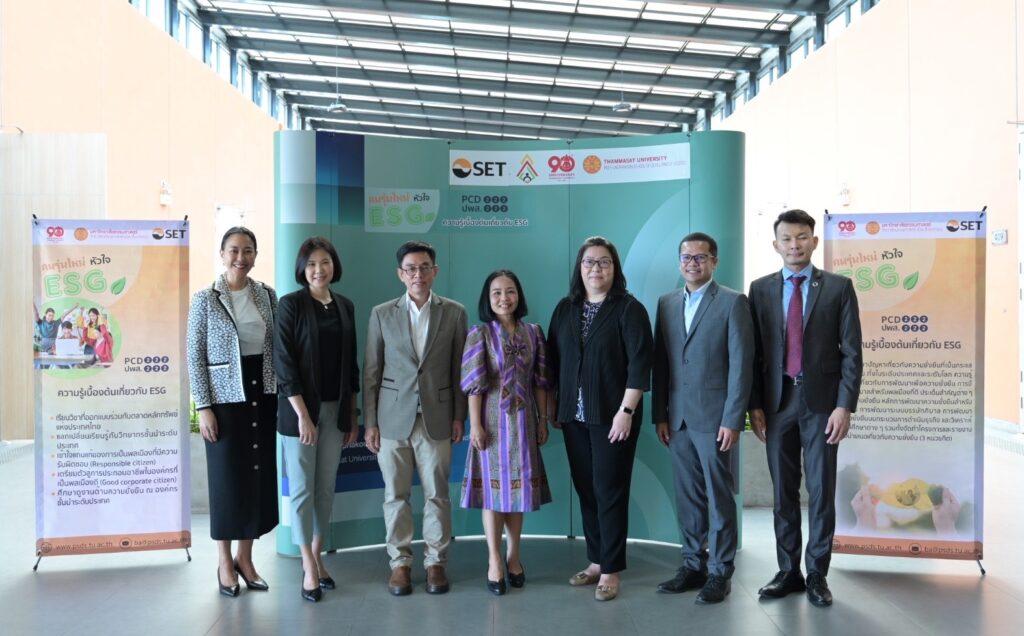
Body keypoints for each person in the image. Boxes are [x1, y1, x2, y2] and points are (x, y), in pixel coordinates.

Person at [747, 209, 863, 607]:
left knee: (821, 490)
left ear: (814, 241)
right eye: (786, 238)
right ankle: (788, 571)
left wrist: (844, 406)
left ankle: (816, 574)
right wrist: (754, 405)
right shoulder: (760, 289)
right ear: (775, 244)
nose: (794, 245)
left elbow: (852, 353)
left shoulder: (838, 287)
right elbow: (753, 353)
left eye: (801, 237)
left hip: (822, 406)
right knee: (782, 492)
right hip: (776, 403)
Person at [546, 236, 653, 602]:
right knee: (587, 489)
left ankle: (611, 569)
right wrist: (555, 405)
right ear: (580, 268)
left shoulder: (628, 308)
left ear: (614, 268)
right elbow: (553, 360)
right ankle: (595, 560)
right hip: (573, 417)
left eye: (604, 262)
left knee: (609, 491)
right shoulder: (566, 308)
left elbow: (640, 365)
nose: (596, 268)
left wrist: (626, 412)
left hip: (613, 417)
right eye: (589, 262)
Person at [652, 232, 754, 604]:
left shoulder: (732, 302)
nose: (692, 263)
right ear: (679, 261)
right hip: (677, 418)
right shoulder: (666, 303)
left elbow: (741, 366)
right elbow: (661, 362)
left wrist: (733, 419)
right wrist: (660, 414)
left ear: (714, 261)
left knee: (719, 496)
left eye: (700, 257)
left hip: (715, 419)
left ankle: (720, 571)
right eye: (686, 257)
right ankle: (693, 564)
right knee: (688, 496)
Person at [363, 241, 468, 597]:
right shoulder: (382, 313)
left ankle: (436, 562)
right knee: (395, 494)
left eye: (424, 267)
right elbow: (372, 371)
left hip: (437, 418)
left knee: (438, 494)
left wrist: (459, 416)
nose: (418, 274)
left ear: (434, 271)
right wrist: (370, 422)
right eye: (410, 268)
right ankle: (400, 564)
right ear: (400, 274)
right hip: (391, 420)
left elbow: (459, 370)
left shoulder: (454, 313)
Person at [186, 227, 278, 598]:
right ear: (223, 254)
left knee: (255, 477)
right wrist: (204, 407)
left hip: (262, 393)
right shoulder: (205, 299)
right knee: (227, 479)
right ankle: (224, 561)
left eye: (248, 250)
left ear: (255, 255)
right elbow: (195, 355)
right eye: (234, 250)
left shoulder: (267, 295)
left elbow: (276, 346)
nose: (241, 257)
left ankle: (246, 558)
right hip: (224, 400)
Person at [275, 236, 360, 603]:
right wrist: (303, 416)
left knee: (325, 487)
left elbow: (351, 366)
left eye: (325, 262)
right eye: (311, 264)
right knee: (302, 489)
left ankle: (318, 554)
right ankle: (308, 565)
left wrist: (351, 414)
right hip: (300, 413)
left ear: (333, 265)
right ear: (302, 269)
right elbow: (283, 364)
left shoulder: (345, 306)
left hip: (335, 410)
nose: (318, 269)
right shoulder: (290, 305)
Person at [460, 269, 552, 596]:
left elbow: (541, 381)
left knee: (518, 491)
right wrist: (475, 425)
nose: (504, 298)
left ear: (519, 295)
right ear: (488, 299)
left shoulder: (533, 333)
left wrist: (543, 420)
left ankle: (514, 555)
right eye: (496, 292)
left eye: (510, 291)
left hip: (524, 422)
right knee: (493, 491)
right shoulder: (480, 334)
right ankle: (494, 559)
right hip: (491, 421)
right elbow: (474, 385)